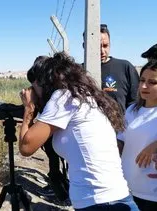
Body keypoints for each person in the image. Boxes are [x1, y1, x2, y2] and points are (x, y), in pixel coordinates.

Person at [19, 52, 139, 210]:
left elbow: (26, 147)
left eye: (34, 88)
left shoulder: (63, 97)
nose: (33, 93)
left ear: (45, 83)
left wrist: (28, 109)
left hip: (99, 202)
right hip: (112, 197)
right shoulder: (83, 95)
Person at [27, 56, 70, 203]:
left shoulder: (57, 97)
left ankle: (60, 192)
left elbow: (26, 147)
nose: (34, 88)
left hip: (57, 135)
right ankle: (60, 189)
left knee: (56, 163)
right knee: (56, 161)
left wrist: (28, 108)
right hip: (55, 134)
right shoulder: (60, 92)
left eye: (36, 84)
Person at [117, 60, 157, 211]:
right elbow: (121, 138)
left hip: (153, 193)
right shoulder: (132, 110)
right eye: (142, 80)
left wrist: (155, 145)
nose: (144, 86)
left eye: (152, 82)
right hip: (127, 187)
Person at [84, 24, 140, 113]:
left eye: (105, 46)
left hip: (119, 126)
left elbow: (136, 103)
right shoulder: (79, 72)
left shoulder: (125, 67)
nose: (102, 51)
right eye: (97, 47)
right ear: (85, 46)